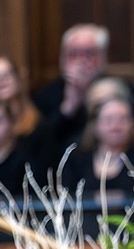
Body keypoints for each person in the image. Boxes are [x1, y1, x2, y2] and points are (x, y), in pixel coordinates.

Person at [33, 23, 111, 167]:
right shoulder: (46, 94)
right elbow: (38, 142)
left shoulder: (119, 90)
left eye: (88, 54)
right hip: (59, 167)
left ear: (102, 57)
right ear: (62, 58)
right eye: (73, 54)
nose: (80, 61)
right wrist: (68, 107)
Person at [61, 91, 134, 196]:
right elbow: (67, 199)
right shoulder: (77, 160)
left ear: (132, 124)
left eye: (122, 119)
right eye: (108, 120)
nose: (115, 126)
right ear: (95, 125)